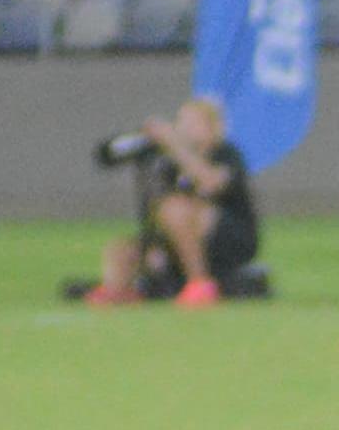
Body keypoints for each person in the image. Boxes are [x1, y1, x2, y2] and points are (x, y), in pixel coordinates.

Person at [80, 96, 259, 309]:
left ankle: (200, 283)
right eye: (182, 122)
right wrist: (144, 138)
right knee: (122, 250)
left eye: (193, 123)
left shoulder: (226, 155)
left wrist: (175, 146)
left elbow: (210, 182)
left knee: (175, 208)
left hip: (226, 238)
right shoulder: (165, 158)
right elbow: (108, 154)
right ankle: (120, 290)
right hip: (176, 239)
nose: (184, 129)